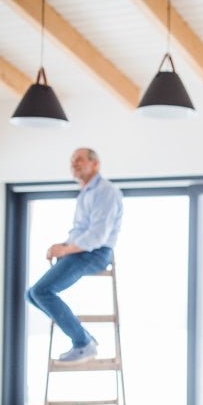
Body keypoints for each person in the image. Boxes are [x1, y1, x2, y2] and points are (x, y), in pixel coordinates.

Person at [25, 148, 123, 365]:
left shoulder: (105, 191)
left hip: (95, 253)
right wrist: (63, 245)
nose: (74, 164)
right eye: (72, 161)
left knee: (41, 291)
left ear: (95, 164)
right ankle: (84, 338)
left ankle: (82, 343)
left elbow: (97, 236)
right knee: (31, 294)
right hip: (80, 251)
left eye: (79, 160)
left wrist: (66, 249)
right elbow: (82, 230)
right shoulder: (86, 192)